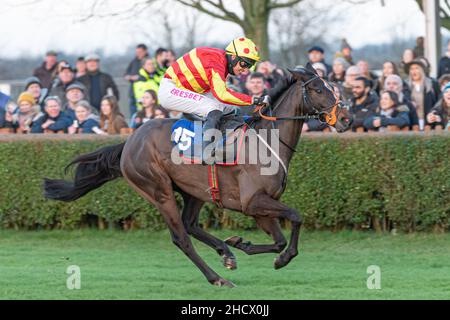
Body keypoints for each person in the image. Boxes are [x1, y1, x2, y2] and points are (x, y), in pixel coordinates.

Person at [158, 37, 268, 157]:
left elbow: (223, 95)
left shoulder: (222, 61)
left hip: (192, 90)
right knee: (213, 108)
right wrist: (253, 100)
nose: (245, 69)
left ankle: (227, 141)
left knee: (230, 108)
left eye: (250, 65)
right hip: (171, 90)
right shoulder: (217, 63)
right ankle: (206, 150)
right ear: (233, 56)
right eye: (244, 63)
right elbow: (221, 95)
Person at [405, 59, 440, 130]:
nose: (414, 71)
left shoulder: (432, 84)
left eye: (416, 68)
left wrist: (433, 113)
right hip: (412, 123)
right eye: (411, 69)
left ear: (422, 70)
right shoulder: (405, 85)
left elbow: (439, 101)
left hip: (429, 122)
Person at [125, 44, 149, 114]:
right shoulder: (134, 62)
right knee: (133, 111)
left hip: (145, 91)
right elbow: (126, 74)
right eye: (137, 52)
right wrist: (129, 77)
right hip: (133, 90)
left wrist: (138, 77)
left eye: (140, 52)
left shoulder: (149, 61)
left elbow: (149, 75)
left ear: (145, 51)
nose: (138, 54)